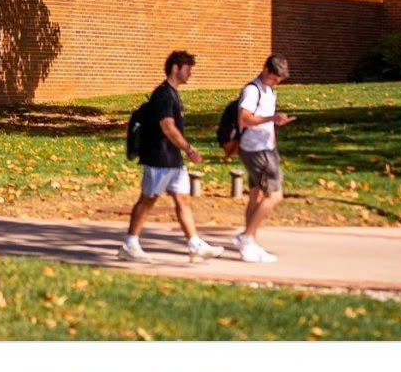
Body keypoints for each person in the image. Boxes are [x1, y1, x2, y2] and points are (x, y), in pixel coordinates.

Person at [122, 50, 224, 263]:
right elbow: (167, 127)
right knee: (148, 200)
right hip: (159, 158)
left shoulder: (172, 94)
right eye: (187, 69)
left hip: (172, 159)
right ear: (175, 68)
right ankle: (130, 244)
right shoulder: (163, 94)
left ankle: (194, 244)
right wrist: (188, 149)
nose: (190, 73)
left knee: (183, 200)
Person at [234, 53, 293, 262]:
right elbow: (244, 119)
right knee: (275, 195)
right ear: (266, 70)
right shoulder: (252, 90)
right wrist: (271, 118)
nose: (276, 82)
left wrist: (274, 132)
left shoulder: (269, 91)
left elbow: (268, 121)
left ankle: (250, 245)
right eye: (274, 78)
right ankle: (246, 237)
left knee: (256, 196)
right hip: (256, 149)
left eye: (279, 81)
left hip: (266, 147)